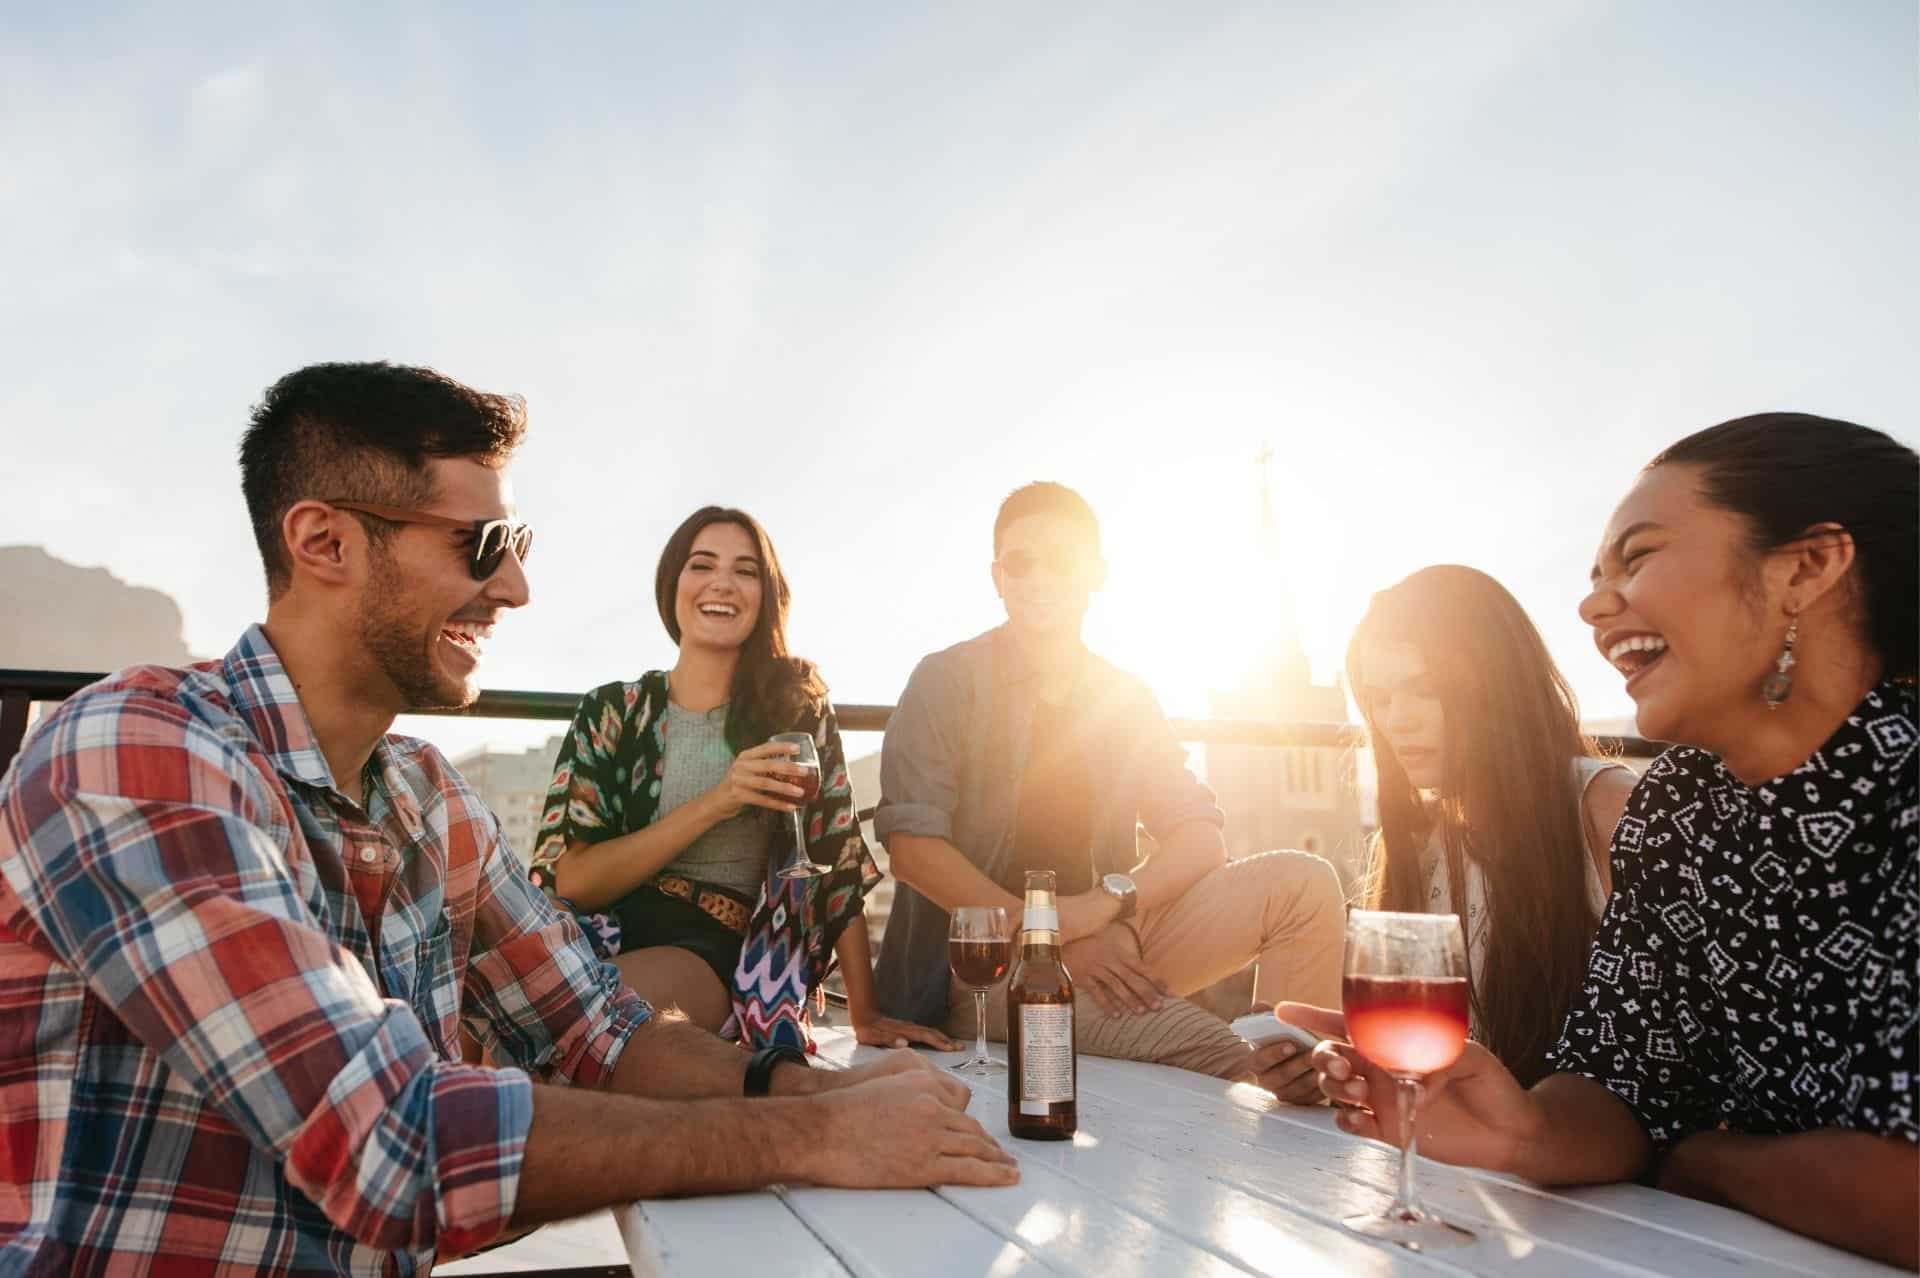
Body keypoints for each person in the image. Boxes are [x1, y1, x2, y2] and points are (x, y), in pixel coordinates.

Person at [0, 363, 1015, 1275]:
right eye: (484, 544)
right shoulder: (136, 752)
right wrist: (813, 1141)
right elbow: (390, 1148)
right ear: (323, 542)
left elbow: (598, 1029)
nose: (517, 587)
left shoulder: (426, 798)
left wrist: (826, 1094)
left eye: (517, 543)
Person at [1290, 413, 1917, 1268]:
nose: (1591, 604)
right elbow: (1622, 1088)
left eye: (1640, 556)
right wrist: (1525, 1131)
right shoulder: (1682, 810)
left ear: (1806, 567)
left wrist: (1702, 1161)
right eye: (1594, 575)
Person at [875, 480, 1347, 1101]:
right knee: (1227, 1056)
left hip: (1109, 941)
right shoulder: (946, 681)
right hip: (983, 967)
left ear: (1096, 572)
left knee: (1304, 883)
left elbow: (1201, 838)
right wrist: (1050, 934)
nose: (1040, 576)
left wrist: (1101, 910)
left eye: (1062, 559)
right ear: (997, 577)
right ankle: (1299, 1090)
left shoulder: (1125, 697)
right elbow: (912, 849)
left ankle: (1302, 1069)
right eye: (1021, 562)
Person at [528, 506, 956, 1052]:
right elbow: (574, 881)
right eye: (701, 565)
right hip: (599, 932)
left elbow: (834, 856)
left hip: (711, 944)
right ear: (673, 584)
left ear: (766, 594)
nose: (722, 583)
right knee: (495, 1006)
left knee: (574, 1016)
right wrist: (719, 800)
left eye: (746, 570)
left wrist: (865, 1013)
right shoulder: (612, 712)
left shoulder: (793, 707)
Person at [1346, 565, 1636, 1085]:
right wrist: (1336, 1067)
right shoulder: (1417, 844)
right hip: (1449, 1156)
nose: (1397, 720)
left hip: (1588, 1157)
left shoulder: (1605, 809)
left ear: (1496, 686)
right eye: (1381, 698)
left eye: (1425, 688)